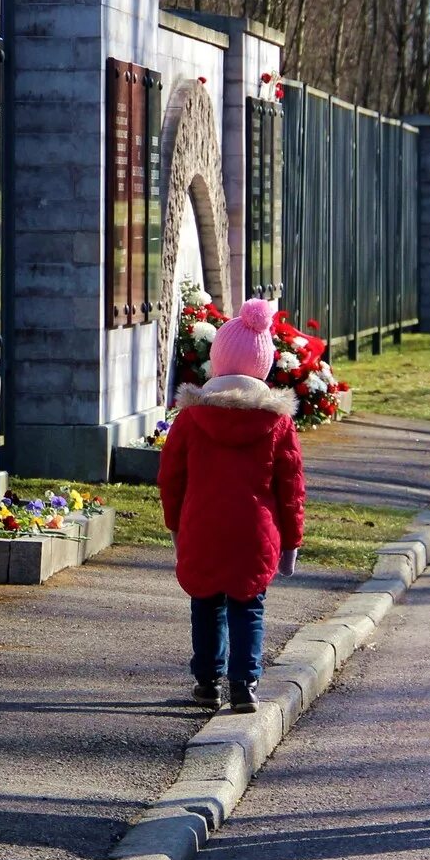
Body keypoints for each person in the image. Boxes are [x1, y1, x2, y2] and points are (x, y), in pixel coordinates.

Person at [158, 298, 306, 713]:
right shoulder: (278, 423)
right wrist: (292, 540)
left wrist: (176, 525)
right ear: (264, 365)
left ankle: (207, 680)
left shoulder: (189, 420)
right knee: (249, 605)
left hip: (202, 525)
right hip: (255, 531)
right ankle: (245, 684)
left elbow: (171, 478)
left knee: (206, 603)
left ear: (217, 361)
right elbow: (290, 486)